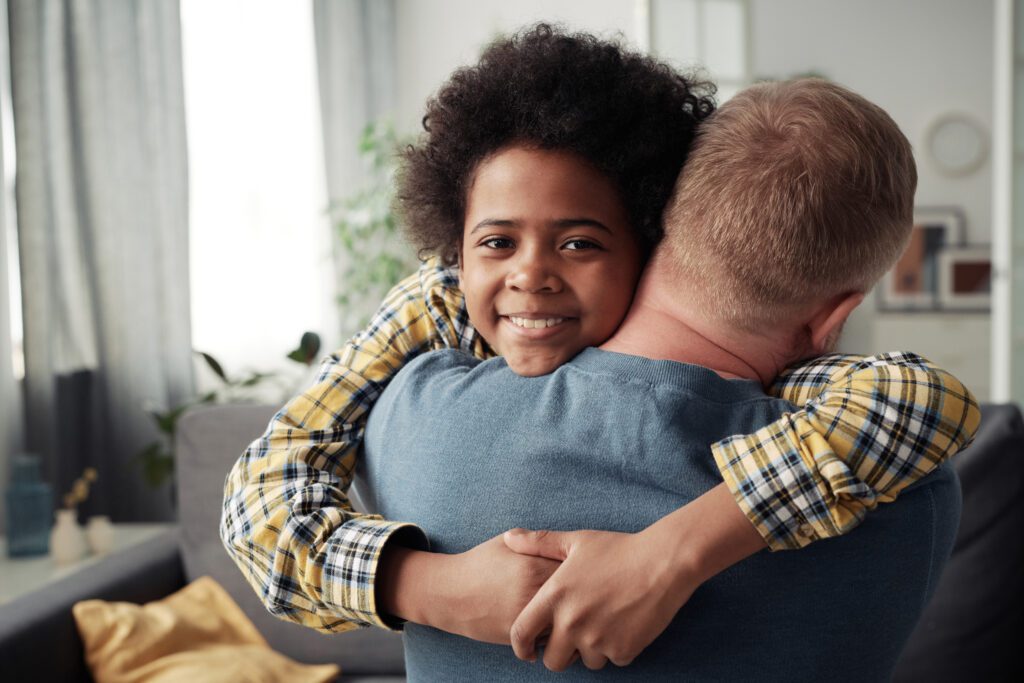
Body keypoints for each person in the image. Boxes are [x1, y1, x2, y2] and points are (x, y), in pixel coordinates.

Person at [220, 24, 977, 647]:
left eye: (579, 242)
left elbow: (920, 395)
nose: (530, 275)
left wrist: (666, 557)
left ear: (650, 244)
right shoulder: (441, 307)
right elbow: (261, 498)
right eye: (495, 243)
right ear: (454, 245)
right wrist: (431, 584)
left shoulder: (413, 410)